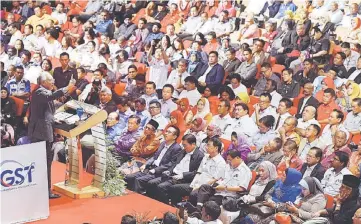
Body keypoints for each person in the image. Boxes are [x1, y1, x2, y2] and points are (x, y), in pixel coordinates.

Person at [28, 72, 75, 199]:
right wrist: (68, 87)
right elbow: (52, 96)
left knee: (45, 162)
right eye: (51, 80)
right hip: (40, 133)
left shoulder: (42, 92)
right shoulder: (39, 92)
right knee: (44, 162)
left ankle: (43, 189)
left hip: (42, 130)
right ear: (43, 82)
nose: (53, 82)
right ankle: (44, 191)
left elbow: (48, 112)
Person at [147, 134, 204, 203]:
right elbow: (174, 163)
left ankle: (166, 204)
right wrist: (169, 171)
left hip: (182, 179)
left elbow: (197, 172)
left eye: (185, 145)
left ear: (193, 144)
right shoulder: (183, 151)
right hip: (172, 175)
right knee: (151, 183)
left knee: (161, 187)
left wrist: (183, 175)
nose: (184, 147)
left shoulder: (200, 156)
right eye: (183, 145)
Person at [168, 137, 226, 205]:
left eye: (209, 145)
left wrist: (198, 187)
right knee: (174, 188)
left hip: (205, 189)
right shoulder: (206, 156)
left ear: (216, 148)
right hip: (195, 184)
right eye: (206, 145)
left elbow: (214, 180)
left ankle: (190, 211)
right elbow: (198, 172)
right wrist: (193, 185)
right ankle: (175, 206)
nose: (206, 147)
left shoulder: (221, 162)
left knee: (193, 194)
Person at [125, 126, 182, 193]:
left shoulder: (177, 148)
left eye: (169, 132)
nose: (166, 133)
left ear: (174, 137)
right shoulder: (163, 143)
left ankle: (136, 197)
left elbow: (170, 164)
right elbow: (154, 157)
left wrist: (155, 170)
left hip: (159, 173)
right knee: (129, 177)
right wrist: (145, 164)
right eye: (166, 131)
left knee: (139, 180)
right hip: (150, 168)